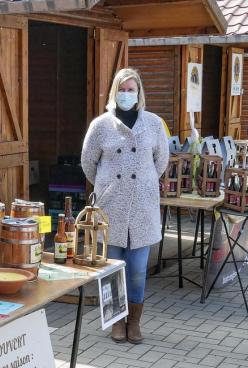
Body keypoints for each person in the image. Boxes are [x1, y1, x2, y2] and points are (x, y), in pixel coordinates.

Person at [81, 68, 169, 344]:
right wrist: (107, 186)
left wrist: (143, 183)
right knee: (112, 266)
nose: (127, 94)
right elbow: (88, 162)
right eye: (123, 89)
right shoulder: (101, 125)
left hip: (142, 205)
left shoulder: (153, 123)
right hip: (111, 205)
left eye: (132, 89)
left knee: (138, 270)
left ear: (139, 92)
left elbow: (161, 160)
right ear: (114, 91)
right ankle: (116, 321)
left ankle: (134, 321)